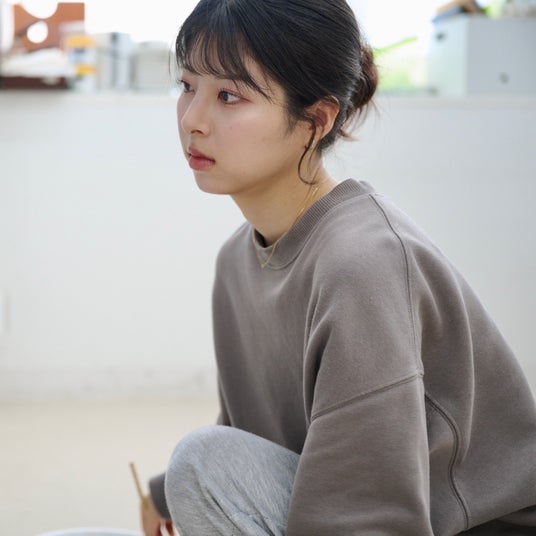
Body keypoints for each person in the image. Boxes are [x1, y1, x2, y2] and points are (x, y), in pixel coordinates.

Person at [140, 0, 536, 534]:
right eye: (188, 86)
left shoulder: (363, 263)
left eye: (229, 96)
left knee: (201, 461)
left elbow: (373, 513)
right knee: (199, 466)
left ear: (316, 119)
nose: (192, 119)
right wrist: (166, 495)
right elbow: (255, 435)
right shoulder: (236, 260)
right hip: (361, 506)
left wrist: (194, 483)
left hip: (465, 526)